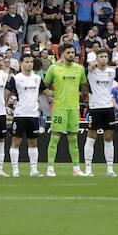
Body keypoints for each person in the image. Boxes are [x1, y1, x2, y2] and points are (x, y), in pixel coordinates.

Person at [43, 44, 88, 177]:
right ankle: (50, 168)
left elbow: (84, 86)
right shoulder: (54, 68)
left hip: (74, 108)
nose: (71, 55)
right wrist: (53, 94)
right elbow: (44, 87)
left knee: (73, 139)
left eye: (73, 52)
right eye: (68, 52)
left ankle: (76, 169)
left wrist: (82, 94)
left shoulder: (79, 69)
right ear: (62, 53)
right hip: (59, 108)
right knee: (55, 137)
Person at [5, 53, 45, 177]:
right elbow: (6, 93)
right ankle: (15, 170)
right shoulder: (16, 78)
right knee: (16, 142)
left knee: (33, 143)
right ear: (21, 64)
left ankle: (33, 169)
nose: (29, 64)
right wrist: (5, 105)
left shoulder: (37, 78)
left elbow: (45, 91)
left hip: (33, 115)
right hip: (20, 114)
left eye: (31, 62)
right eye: (27, 62)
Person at [85, 49, 118, 176]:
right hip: (95, 108)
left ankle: (110, 168)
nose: (104, 58)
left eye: (106, 56)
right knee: (91, 137)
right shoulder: (90, 71)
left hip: (108, 107)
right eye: (101, 56)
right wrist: (89, 66)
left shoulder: (112, 71)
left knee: (108, 137)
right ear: (96, 58)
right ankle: (88, 168)